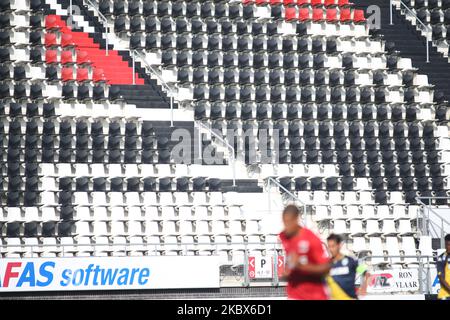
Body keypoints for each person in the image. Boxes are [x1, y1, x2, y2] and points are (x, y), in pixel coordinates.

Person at [279, 204, 331, 300]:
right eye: (285, 222)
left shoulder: (311, 239)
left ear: (296, 219)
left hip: (314, 295)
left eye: (289, 222)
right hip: (294, 294)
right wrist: (287, 272)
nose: (287, 226)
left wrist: (301, 266)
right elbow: (291, 263)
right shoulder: (283, 236)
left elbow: (326, 268)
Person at [326, 234, 370, 300]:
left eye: (333, 246)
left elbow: (367, 274)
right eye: (329, 246)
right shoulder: (327, 264)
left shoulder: (350, 261)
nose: (331, 249)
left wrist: (364, 287)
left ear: (339, 245)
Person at [437, 234, 450, 300]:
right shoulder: (441, 258)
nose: (447, 247)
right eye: (446, 245)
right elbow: (441, 278)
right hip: (445, 295)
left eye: (449, 245)